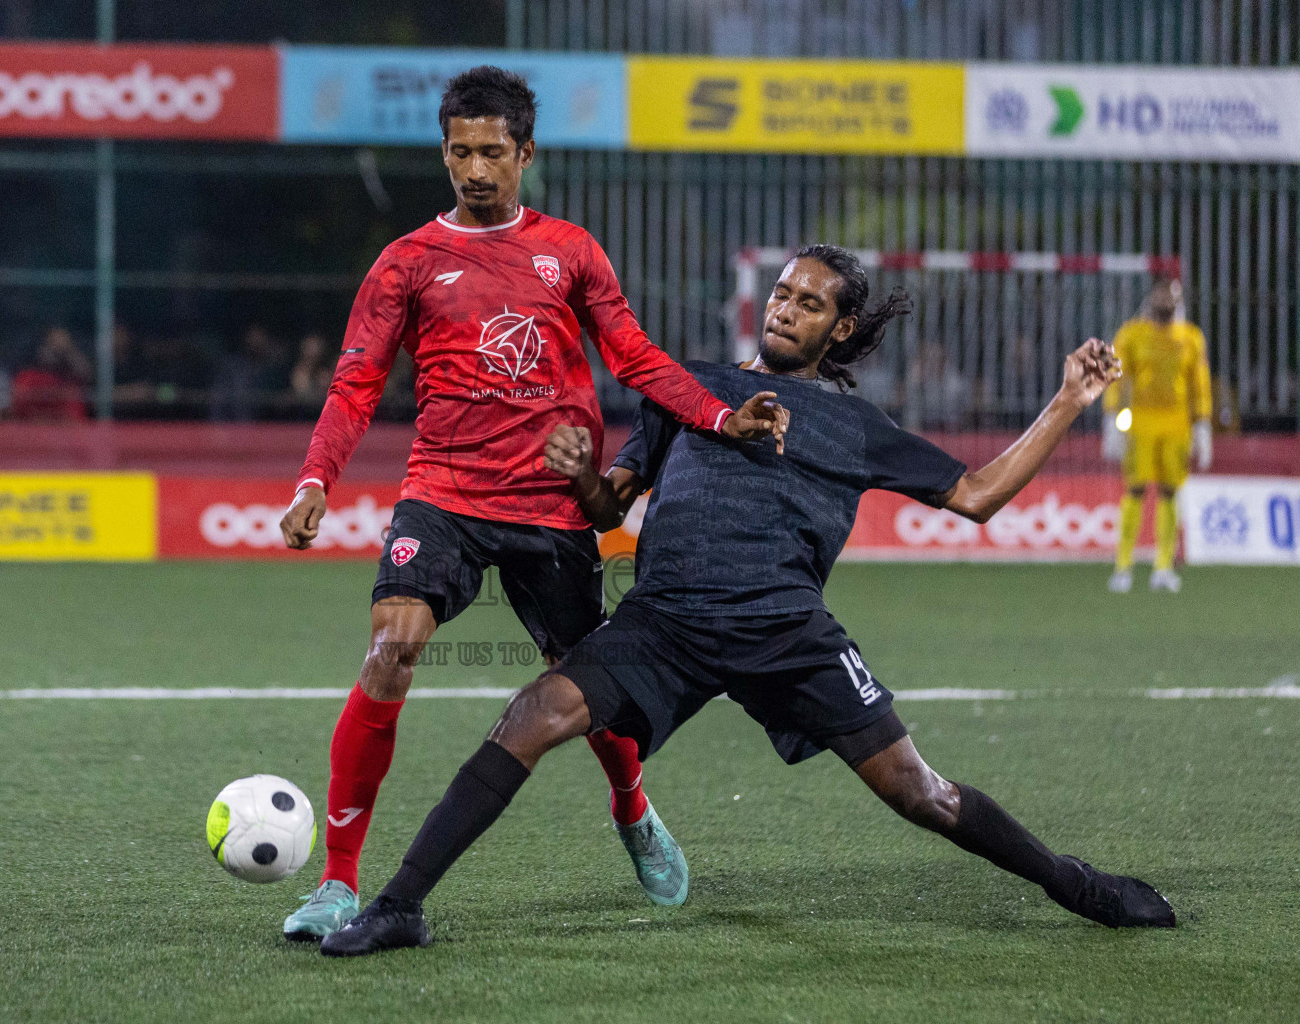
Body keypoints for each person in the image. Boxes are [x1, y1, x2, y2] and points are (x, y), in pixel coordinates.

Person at [320, 244, 1175, 958]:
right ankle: (398, 907)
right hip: (666, 622)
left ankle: (1078, 885)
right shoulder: (689, 388)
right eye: (781, 292)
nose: (785, 308)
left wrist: (1067, 401)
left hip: (788, 633)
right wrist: (582, 470)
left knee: (922, 795)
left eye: (809, 302)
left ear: (840, 328)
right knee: (529, 716)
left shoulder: (858, 427)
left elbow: (979, 495)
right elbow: (608, 509)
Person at [277, 65, 779, 941]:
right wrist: (315, 480)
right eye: (460, 152)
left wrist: (717, 413)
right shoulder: (406, 262)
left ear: (525, 154)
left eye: (493, 152)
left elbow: (634, 356)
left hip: (551, 507)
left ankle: (632, 808)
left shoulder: (571, 251)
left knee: (591, 691)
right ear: (444, 152)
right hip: (443, 494)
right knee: (391, 650)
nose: (475, 169)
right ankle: (337, 881)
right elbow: (357, 383)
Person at [1102, 279, 1212, 594]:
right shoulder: (1132, 334)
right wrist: (1112, 417)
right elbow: (1116, 375)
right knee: (1135, 489)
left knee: (1169, 492)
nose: (1166, 303)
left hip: (1177, 424)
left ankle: (1163, 567)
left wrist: (1203, 423)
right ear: (1152, 299)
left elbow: (1199, 382)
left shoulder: (1190, 338)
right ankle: (1123, 565)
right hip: (1141, 422)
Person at [9, 326, 92, 422]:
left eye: (63, 344)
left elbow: (85, 374)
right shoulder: (28, 378)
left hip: (66, 426)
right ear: (45, 344)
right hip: (31, 425)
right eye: (55, 343)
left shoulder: (71, 384)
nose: (59, 347)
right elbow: (18, 408)